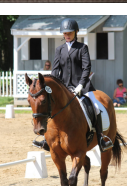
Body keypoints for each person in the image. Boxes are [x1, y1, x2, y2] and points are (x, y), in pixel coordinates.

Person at [32, 18, 113, 152]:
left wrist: (81, 84)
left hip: (82, 87)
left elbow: (86, 68)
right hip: (63, 88)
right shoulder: (60, 49)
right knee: (50, 109)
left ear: (75, 32)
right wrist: (54, 87)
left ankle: (101, 138)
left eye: (69, 32)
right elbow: (55, 71)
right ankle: (46, 140)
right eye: (65, 33)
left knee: (96, 107)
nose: (67, 35)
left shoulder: (82, 48)